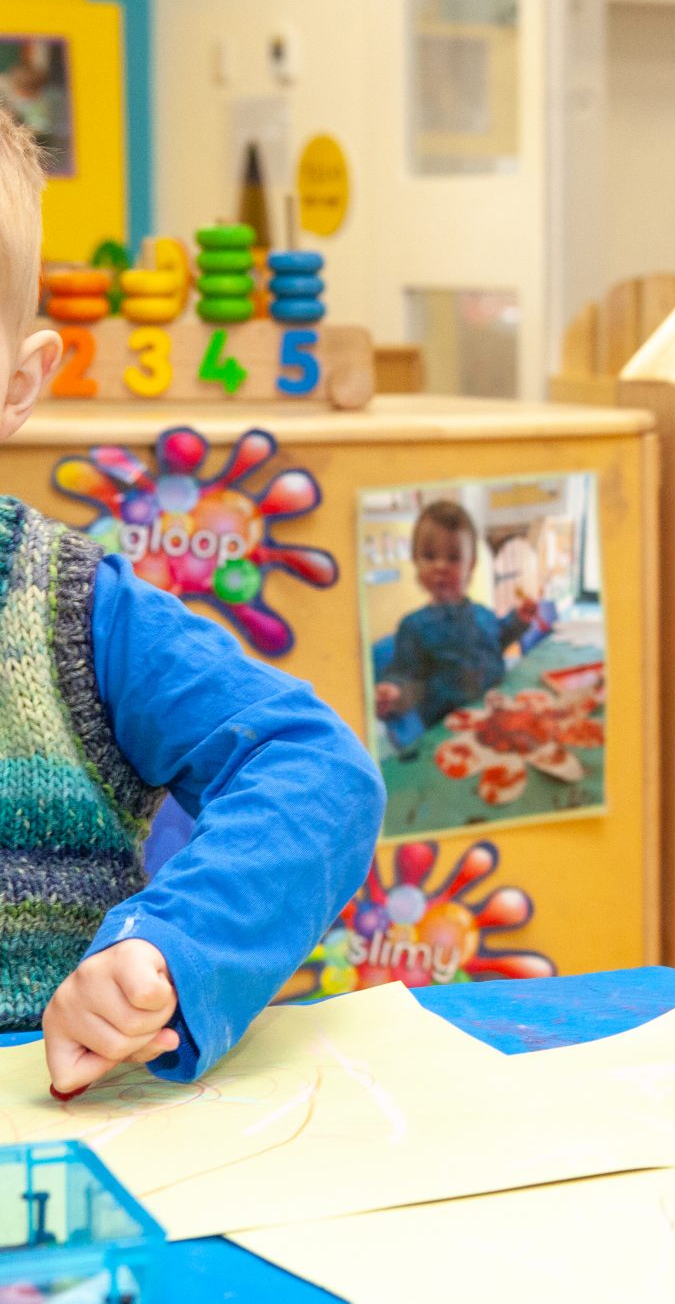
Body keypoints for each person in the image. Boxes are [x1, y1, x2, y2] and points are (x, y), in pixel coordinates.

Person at [0, 110, 381, 1092]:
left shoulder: (78, 616)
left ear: (20, 381)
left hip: (57, 1159)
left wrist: (169, 950)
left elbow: (316, 773)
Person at [373, 501, 542, 733]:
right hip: (448, 729)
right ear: (416, 561)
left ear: (470, 565)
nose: (441, 566)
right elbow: (406, 676)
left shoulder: (483, 613)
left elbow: (498, 639)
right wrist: (394, 692)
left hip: (498, 714)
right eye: (429, 556)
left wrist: (519, 620)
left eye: (453, 557)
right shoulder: (413, 626)